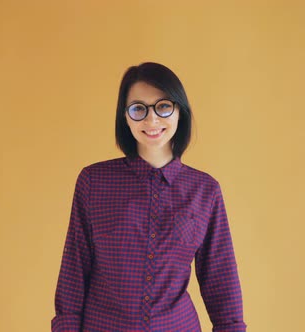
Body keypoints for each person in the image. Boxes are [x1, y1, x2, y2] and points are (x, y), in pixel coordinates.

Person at [51, 62, 247, 331]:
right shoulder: (94, 182)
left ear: (180, 111)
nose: (151, 120)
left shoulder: (205, 190)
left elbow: (220, 278)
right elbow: (74, 270)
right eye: (138, 108)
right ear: (125, 116)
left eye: (163, 106)